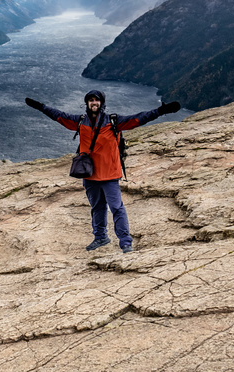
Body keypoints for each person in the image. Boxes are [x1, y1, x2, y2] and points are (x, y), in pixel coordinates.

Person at [25, 90, 181, 253]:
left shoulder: (114, 122)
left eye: (97, 100)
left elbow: (138, 118)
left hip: (109, 175)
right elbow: (58, 115)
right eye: (91, 100)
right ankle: (100, 237)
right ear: (87, 103)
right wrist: (41, 107)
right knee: (97, 207)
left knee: (116, 207)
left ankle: (125, 242)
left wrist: (161, 111)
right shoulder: (80, 122)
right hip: (89, 174)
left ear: (102, 103)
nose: (94, 103)